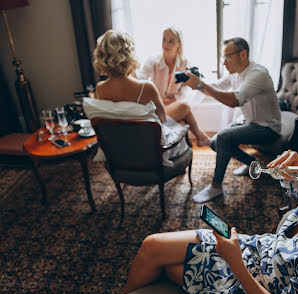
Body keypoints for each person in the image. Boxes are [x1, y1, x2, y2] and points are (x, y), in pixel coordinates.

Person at [120, 140, 298, 294]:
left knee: (168, 267)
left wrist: (235, 262)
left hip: (246, 282)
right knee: (152, 245)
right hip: (252, 251)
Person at [183, 37, 282, 203]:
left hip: (268, 128)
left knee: (223, 138)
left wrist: (202, 85)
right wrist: (198, 84)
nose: (224, 63)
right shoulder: (236, 74)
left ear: (243, 54)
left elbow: (234, 101)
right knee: (215, 142)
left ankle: (216, 187)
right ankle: (253, 164)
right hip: (250, 121)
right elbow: (216, 87)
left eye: (227, 57)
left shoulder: (258, 73)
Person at [85, 29, 189, 166]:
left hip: (121, 157)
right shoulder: (146, 87)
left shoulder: (100, 89)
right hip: (151, 156)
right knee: (180, 123)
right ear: (129, 55)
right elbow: (162, 121)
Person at [136, 27, 210, 147]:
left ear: (179, 44)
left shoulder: (185, 64)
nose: (166, 44)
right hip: (156, 107)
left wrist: (175, 99)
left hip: (172, 105)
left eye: (171, 41)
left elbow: (189, 89)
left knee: (183, 109)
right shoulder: (153, 60)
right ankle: (201, 136)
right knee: (184, 108)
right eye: (164, 39)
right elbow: (139, 80)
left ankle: (200, 137)